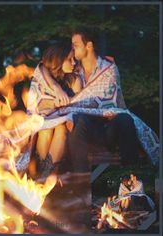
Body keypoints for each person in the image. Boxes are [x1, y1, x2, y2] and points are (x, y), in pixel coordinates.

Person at [68, 28, 140, 171]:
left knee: (125, 119)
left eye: (75, 45)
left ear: (89, 46)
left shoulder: (109, 68)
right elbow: (69, 103)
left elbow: (110, 101)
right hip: (86, 129)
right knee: (80, 120)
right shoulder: (73, 70)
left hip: (108, 128)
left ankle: (131, 176)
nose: (72, 49)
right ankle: (80, 183)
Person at [27, 42, 82, 178]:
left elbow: (79, 105)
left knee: (60, 127)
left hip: (65, 123)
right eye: (69, 59)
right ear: (58, 60)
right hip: (44, 122)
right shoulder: (42, 78)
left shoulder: (75, 79)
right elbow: (35, 106)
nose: (74, 62)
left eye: (74, 58)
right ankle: (41, 173)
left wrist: (63, 106)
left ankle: (47, 174)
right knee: (45, 128)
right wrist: (54, 96)